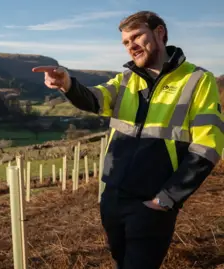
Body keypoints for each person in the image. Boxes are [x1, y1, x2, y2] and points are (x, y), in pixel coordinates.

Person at [32, 11, 223, 269]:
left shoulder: (198, 80)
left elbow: (208, 146)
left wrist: (166, 199)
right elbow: (95, 98)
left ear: (160, 33)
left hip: (152, 203)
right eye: (125, 42)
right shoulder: (126, 79)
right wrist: (68, 84)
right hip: (112, 199)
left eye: (136, 36)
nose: (130, 45)